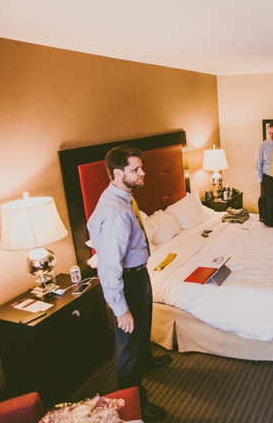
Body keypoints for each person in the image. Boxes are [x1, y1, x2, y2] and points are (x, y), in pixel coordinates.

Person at [87, 145, 171, 422]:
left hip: (139, 273)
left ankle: (146, 358)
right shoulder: (116, 213)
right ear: (118, 173)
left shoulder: (120, 196)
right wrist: (120, 309)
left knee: (142, 329)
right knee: (128, 345)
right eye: (135, 169)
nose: (142, 172)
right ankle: (132, 401)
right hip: (128, 280)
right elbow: (109, 268)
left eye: (140, 167)